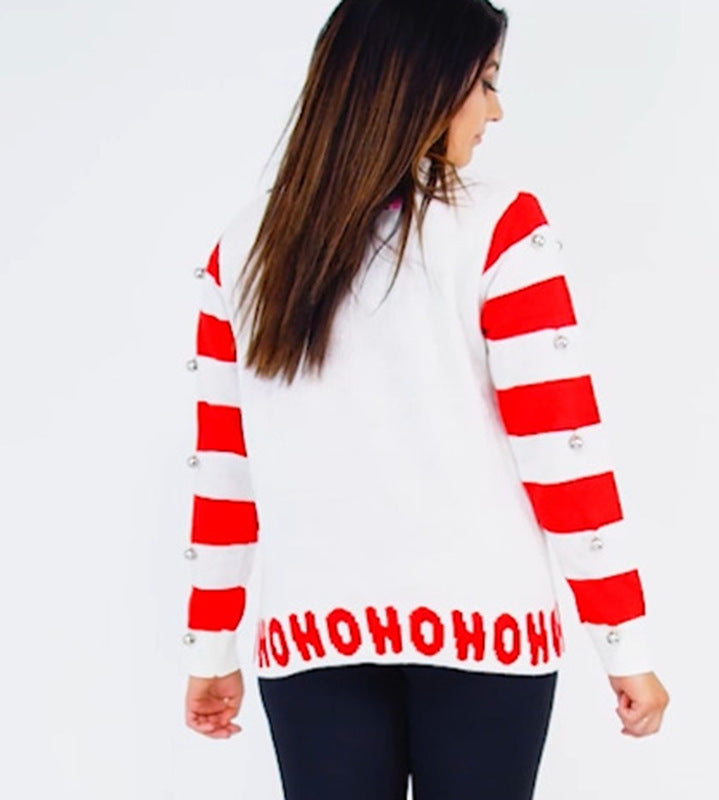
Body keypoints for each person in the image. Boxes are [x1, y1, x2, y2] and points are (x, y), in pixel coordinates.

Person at [180, 1, 670, 797]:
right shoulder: (501, 229)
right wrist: (625, 646)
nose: (495, 111)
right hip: (486, 633)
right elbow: (562, 454)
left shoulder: (242, 249)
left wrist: (210, 647)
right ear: (423, 83)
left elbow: (224, 475)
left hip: (311, 638)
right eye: (486, 82)